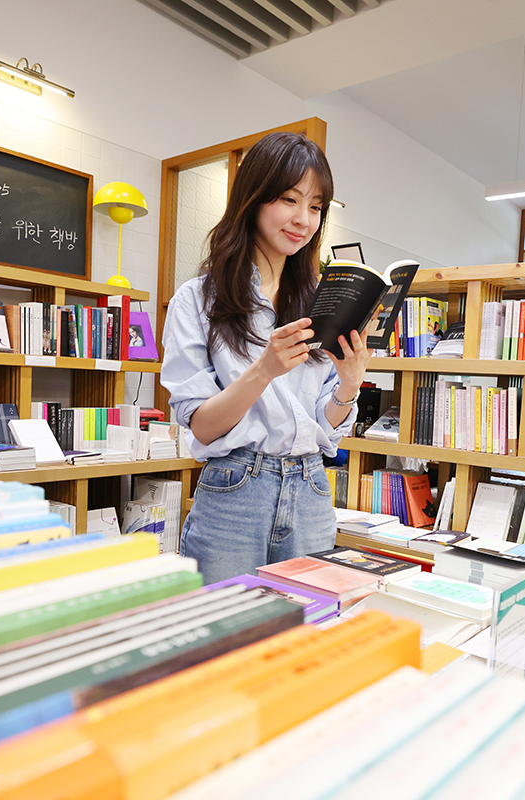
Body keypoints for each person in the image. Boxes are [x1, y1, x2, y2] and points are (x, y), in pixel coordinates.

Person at [161, 132, 371, 584]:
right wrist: (263, 371)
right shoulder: (198, 300)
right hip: (237, 488)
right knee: (224, 638)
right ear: (253, 199)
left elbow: (325, 429)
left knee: (307, 634)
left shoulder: (321, 301)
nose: (303, 219)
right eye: (288, 199)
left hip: (312, 486)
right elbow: (201, 424)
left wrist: (350, 383)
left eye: (315, 207)